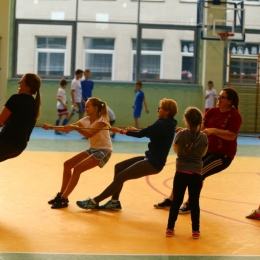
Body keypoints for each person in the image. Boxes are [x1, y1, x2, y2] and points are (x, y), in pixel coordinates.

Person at [75, 98, 178, 211]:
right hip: (151, 158)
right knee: (119, 167)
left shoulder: (162, 123)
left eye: (160, 109)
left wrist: (122, 131)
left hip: (153, 162)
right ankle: (114, 202)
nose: (158, 111)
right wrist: (134, 130)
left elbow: (142, 134)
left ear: (167, 111)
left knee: (121, 177)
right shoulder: (169, 123)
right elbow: (150, 133)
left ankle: (94, 202)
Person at [154, 88, 242, 214]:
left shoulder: (234, 115)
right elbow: (200, 129)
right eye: (219, 96)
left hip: (223, 155)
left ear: (230, 101)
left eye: (222, 97)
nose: (219, 98)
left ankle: (190, 203)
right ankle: (172, 200)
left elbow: (232, 135)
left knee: (198, 173)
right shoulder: (212, 111)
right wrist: (186, 131)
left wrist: (213, 130)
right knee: (184, 169)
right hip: (206, 151)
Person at [42, 97, 112, 209]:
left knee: (78, 169)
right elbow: (67, 128)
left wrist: (76, 128)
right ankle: (61, 195)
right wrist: (51, 127)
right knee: (67, 164)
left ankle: (64, 199)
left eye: (87, 106)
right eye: (85, 106)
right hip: (93, 149)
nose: (85, 108)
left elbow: (89, 134)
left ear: (95, 108)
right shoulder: (85, 120)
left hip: (104, 151)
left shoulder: (102, 120)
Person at [166, 107, 208, 239]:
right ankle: (196, 230)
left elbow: (175, 149)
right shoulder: (204, 137)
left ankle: (170, 228)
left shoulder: (180, 134)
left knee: (176, 201)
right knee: (194, 202)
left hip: (181, 172)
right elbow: (203, 153)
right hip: (196, 173)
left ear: (187, 120)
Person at [0, 73, 41, 162]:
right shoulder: (34, 104)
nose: (18, 83)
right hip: (19, 148)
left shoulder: (15, 99)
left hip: (6, 143)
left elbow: (0, 121)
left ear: (27, 87)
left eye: (21, 81)